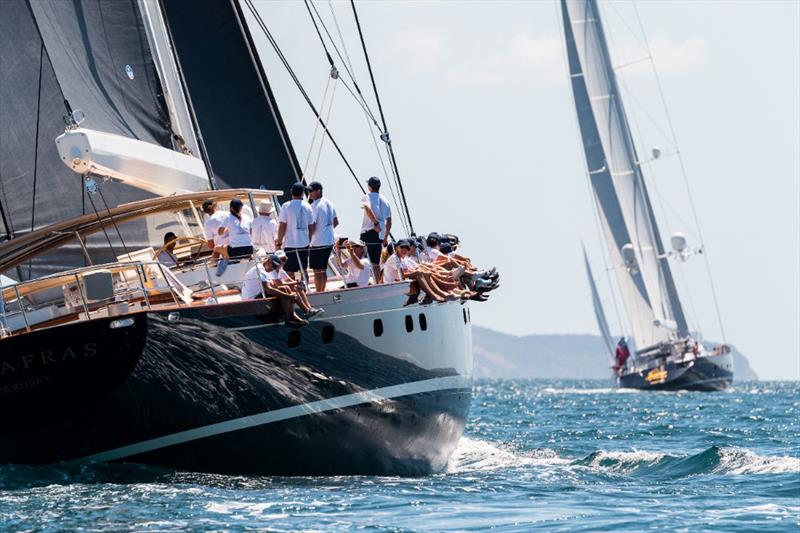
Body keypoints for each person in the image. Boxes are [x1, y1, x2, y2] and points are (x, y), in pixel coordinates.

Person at [241, 252, 307, 326]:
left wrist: (288, 293)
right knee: (284, 290)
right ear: (268, 261)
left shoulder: (263, 269)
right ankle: (288, 319)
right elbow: (269, 289)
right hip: (252, 300)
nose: (273, 269)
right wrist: (289, 296)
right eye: (273, 266)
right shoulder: (260, 270)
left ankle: (291, 316)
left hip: (257, 296)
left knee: (285, 288)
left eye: (275, 267)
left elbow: (272, 286)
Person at [276, 182, 314, 277]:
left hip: (290, 244)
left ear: (291, 191)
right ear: (302, 193)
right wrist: (309, 241)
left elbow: (282, 226)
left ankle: (293, 290)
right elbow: (311, 227)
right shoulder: (308, 206)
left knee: (289, 271)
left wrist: (279, 242)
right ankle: (305, 288)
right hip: (304, 243)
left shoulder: (286, 206)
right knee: (303, 270)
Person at [307, 181, 339, 292]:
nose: (309, 193)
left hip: (318, 242)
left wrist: (308, 240)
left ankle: (319, 292)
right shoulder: (330, 203)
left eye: (311, 191)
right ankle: (322, 290)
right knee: (323, 269)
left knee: (317, 270)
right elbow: (336, 222)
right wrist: (326, 231)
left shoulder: (314, 206)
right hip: (329, 241)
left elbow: (312, 225)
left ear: (318, 191)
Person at [359, 176, 392, 283]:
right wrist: (385, 237)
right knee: (376, 262)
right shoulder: (385, 200)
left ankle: (363, 282)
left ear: (369, 186)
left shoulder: (367, 196)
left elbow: (367, 208)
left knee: (364, 260)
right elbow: (389, 221)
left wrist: (375, 223)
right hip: (380, 235)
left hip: (369, 232)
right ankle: (377, 282)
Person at [274, 250, 323, 318]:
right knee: (294, 288)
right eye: (280, 260)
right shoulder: (273, 270)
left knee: (298, 287)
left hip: (282, 289)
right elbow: (279, 284)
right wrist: (296, 282)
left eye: (284, 259)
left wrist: (298, 283)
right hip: (276, 291)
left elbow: (290, 281)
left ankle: (309, 309)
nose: (282, 262)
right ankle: (307, 311)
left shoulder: (281, 271)